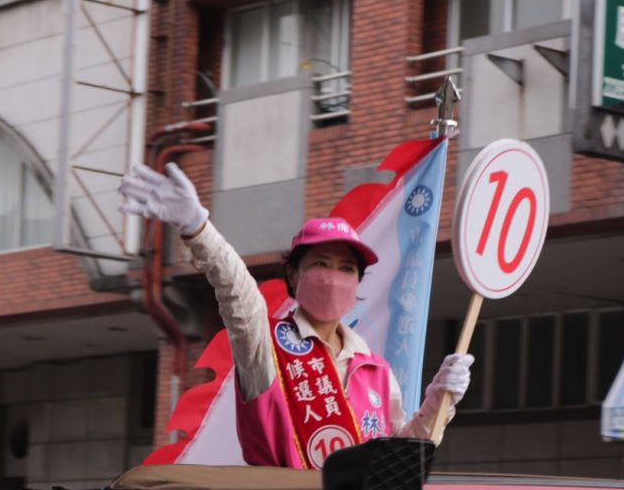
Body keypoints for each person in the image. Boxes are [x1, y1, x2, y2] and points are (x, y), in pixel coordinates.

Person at [119, 163, 473, 468]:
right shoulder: (265, 345)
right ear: (293, 275)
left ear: (358, 283)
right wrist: (198, 229)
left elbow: (403, 456)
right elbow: (239, 294)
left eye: (347, 268)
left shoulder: (376, 370)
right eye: (320, 264)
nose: (333, 278)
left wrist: (439, 400)